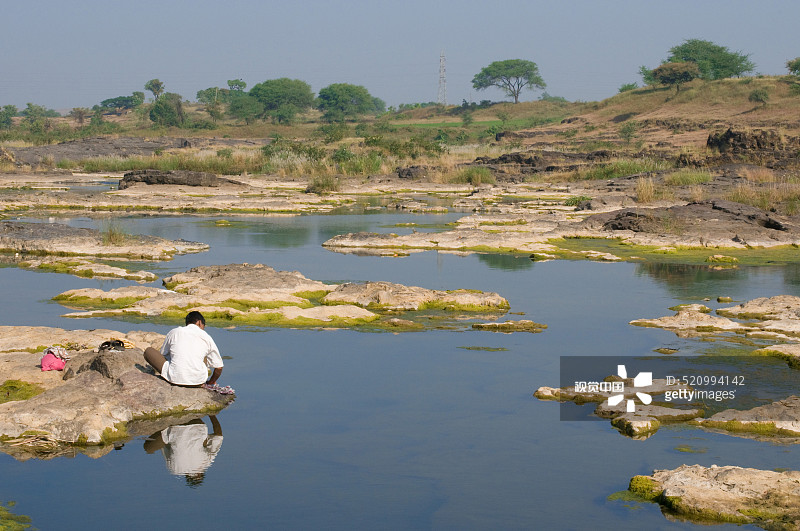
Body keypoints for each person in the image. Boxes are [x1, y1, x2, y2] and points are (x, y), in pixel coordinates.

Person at [144, 311, 223, 387]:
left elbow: (163, 354)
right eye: (203, 326)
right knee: (204, 356)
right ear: (199, 322)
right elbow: (219, 367)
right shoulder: (206, 336)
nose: (203, 329)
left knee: (149, 351)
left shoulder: (174, 332)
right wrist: (211, 382)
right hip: (198, 382)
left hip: (174, 379)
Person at [143, 415, 223, 487]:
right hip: (176, 427)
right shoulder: (175, 470)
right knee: (148, 448)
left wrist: (212, 414)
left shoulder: (205, 464)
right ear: (187, 476)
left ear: (200, 473)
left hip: (197, 423)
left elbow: (219, 435)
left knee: (204, 444)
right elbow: (165, 447)